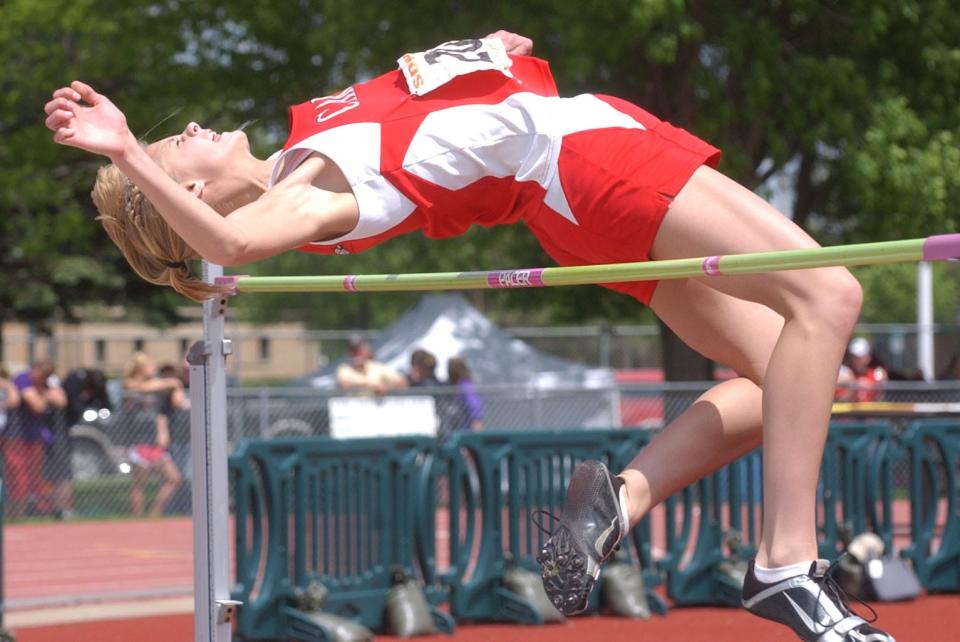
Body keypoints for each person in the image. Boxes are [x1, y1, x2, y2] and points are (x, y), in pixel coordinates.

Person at [44, 30, 890, 640]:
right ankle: (787, 563)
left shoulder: (309, 142)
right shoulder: (309, 196)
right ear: (188, 190)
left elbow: (427, 106)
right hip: (585, 163)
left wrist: (485, 55)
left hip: (573, 181)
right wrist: (126, 153)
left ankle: (620, 501)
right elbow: (229, 245)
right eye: (174, 148)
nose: (188, 131)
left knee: (780, 369)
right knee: (829, 295)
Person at [122, 352, 182, 518]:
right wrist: (171, 382)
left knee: (174, 478)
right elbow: (141, 388)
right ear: (140, 368)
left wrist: (162, 432)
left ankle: (154, 514)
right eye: (150, 366)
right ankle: (138, 518)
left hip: (153, 441)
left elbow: (159, 413)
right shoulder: (129, 384)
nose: (154, 369)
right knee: (139, 483)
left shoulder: (155, 386)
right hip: (137, 441)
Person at [8, 361, 67, 518]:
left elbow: (61, 401)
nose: (43, 379)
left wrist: (44, 393)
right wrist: (46, 395)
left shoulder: (46, 382)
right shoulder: (23, 379)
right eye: (43, 375)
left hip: (35, 438)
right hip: (16, 438)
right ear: (35, 370)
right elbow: (37, 405)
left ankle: (28, 514)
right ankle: (14, 516)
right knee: (18, 479)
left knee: (35, 479)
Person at [335, 336, 407, 395]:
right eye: (352, 350)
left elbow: (402, 382)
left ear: (366, 351)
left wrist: (387, 387)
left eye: (358, 350)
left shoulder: (376, 367)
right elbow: (344, 386)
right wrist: (373, 387)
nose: (356, 353)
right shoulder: (344, 369)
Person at [836, 337, 889, 403]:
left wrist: (875, 386)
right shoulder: (845, 375)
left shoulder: (876, 375)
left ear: (868, 357)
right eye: (853, 357)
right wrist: (853, 386)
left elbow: (880, 400)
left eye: (859, 357)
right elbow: (841, 401)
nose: (855, 360)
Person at [446, 357, 484, 433]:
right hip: (456, 425)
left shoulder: (465, 385)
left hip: (466, 426)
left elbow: (474, 403)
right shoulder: (454, 385)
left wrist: (476, 419)